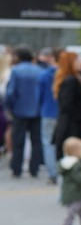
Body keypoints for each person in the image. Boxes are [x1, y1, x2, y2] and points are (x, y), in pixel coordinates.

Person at [4, 46, 44, 179]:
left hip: (20, 110)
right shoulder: (39, 70)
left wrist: (10, 107)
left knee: (18, 141)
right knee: (36, 141)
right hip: (37, 110)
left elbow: (11, 92)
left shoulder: (16, 70)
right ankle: (34, 168)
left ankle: (17, 168)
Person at [51, 50, 81, 161]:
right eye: (77, 60)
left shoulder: (71, 79)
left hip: (69, 123)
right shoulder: (71, 81)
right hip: (72, 125)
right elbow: (67, 105)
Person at [37, 49, 59, 184]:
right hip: (62, 112)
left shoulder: (44, 75)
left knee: (48, 143)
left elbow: (39, 95)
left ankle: (52, 173)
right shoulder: (66, 75)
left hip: (48, 111)